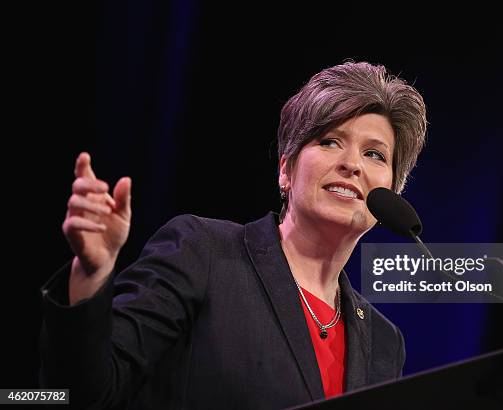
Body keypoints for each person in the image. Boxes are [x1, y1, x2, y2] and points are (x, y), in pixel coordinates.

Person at [40, 61, 427, 409]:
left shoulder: (384, 343)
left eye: (375, 154)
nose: (352, 164)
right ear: (286, 170)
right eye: (329, 141)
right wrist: (92, 274)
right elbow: (82, 394)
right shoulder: (203, 253)